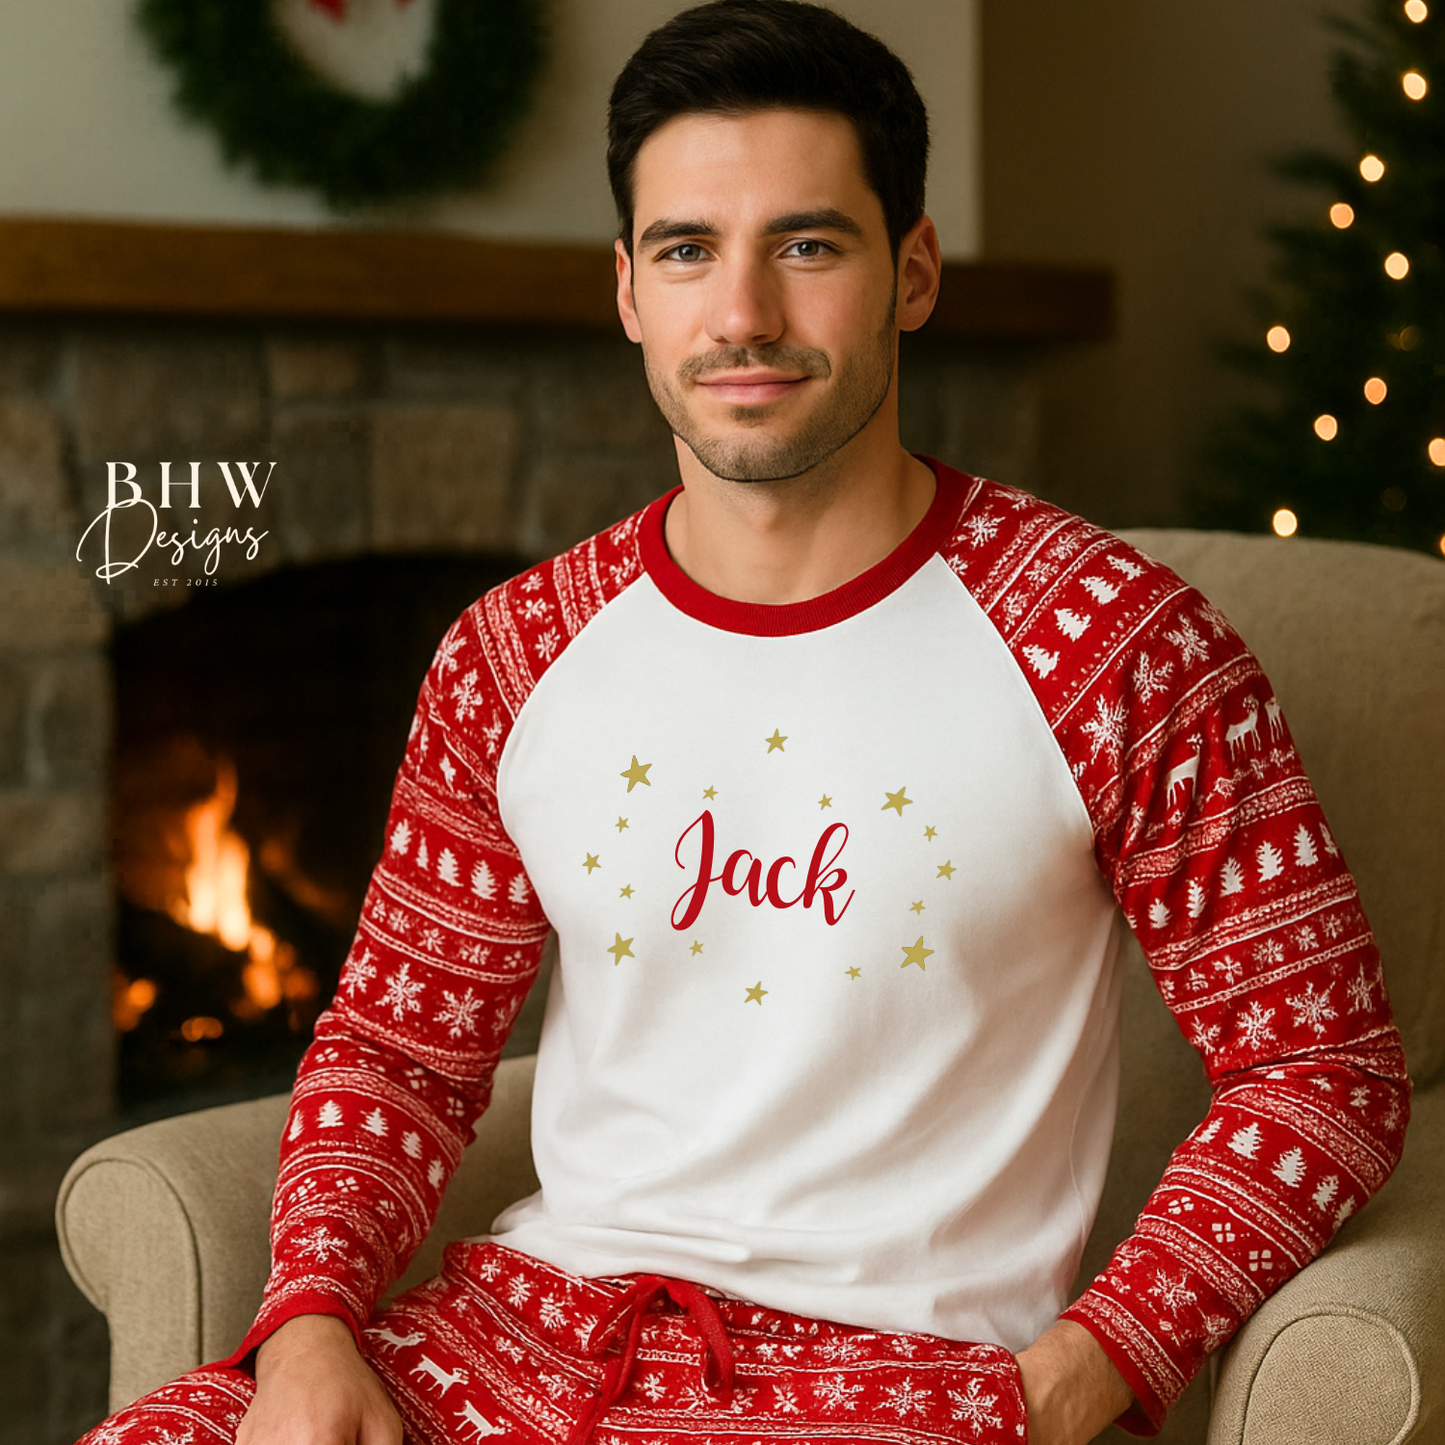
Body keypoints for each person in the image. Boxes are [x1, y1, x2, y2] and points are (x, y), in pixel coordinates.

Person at [80, 4, 1410, 1444]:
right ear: (628, 291)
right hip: (506, 1353)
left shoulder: (1118, 646)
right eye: (688, 248)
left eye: (809, 244)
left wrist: (1084, 1371)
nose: (744, 316)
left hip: (890, 1392)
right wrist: (312, 1330)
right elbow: (398, 1053)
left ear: (913, 272)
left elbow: (1320, 1072)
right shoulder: (513, 654)